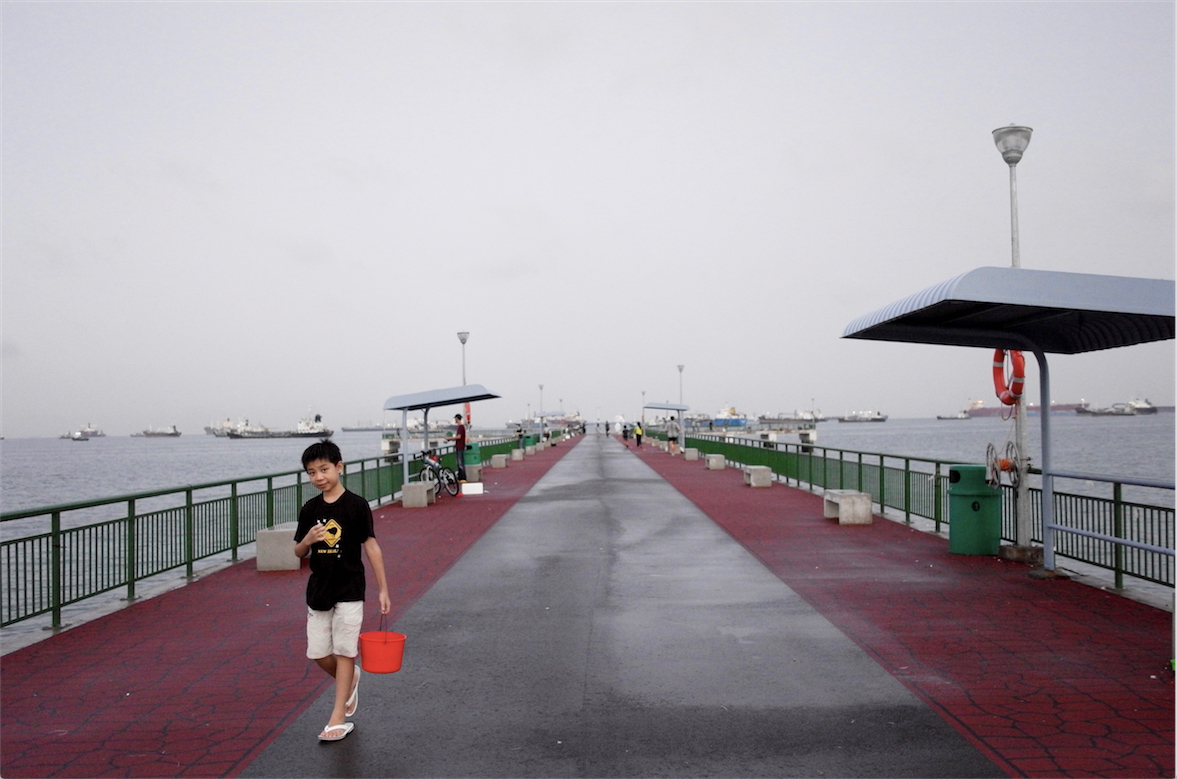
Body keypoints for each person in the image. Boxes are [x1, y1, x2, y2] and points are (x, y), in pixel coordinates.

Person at [293, 439, 391, 743]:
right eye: (311, 472)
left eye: (324, 469)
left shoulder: (356, 505)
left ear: (339, 467)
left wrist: (383, 589)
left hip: (350, 587)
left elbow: (371, 546)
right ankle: (350, 679)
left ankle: (337, 718)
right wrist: (308, 539)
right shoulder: (310, 509)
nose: (318, 477)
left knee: (345, 650)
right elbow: (298, 552)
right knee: (318, 653)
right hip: (319, 590)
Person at [447, 414, 467, 481]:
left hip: (460, 447)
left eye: (455, 419)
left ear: (457, 419)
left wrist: (449, 438)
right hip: (460, 446)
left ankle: (462, 478)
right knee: (460, 462)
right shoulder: (461, 427)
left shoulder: (460, 427)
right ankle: (461, 477)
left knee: (460, 463)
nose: (454, 420)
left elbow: (459, 437)